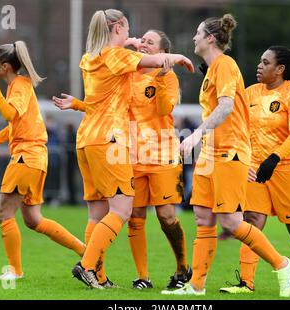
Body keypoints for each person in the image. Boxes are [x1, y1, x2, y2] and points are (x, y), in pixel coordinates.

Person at [52, 9, 194, 289]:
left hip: (100, 142)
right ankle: (90, 266)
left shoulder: (91, 57)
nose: (139, 39)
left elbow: (157, 106)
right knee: (123, 212)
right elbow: (140, 60)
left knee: (102, 213)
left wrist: (162, 72)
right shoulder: (125, 62)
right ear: (118, 28)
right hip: (115, 145)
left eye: (149, 40)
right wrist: (175, 57)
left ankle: (100, 277)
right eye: (131, 31)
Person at [162, 14, 290, 297]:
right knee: (202, 218)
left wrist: (197, 133)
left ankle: (283, 264)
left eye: (199, 33)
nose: (195, 37)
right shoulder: (211, 69)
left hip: (229, 151)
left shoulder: (225, 65)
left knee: (232, 222)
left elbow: (225, 107)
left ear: (211, 38)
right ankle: (196, 286)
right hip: (211, 153)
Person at [0, 41, 86, 280]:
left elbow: (8, 114)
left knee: (4, 214)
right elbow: (17, 125)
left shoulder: (18, 86)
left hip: (26, 158)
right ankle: (86, 253)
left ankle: (15, 272)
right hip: (36, 157)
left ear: (5, 67)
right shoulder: (20, 85)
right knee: (34, 220)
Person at [220, 46, 290, 295]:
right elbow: (229, 114)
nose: (259, 66)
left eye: (265, 62)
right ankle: (246, 283)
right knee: (252, 221)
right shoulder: (250, 93)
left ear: (280, 69)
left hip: (289, 168)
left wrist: (274, 158)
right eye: (260, 61)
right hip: (256, 167)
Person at [126, 29, 191, 290]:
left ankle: (182, 268)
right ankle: (143, 277)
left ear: (164, 53)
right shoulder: (129, 73)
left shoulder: (170, 78)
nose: (143, 44)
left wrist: (162, 78)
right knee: (135, 215)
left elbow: (165, 109)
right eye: (141, 40)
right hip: (132, 157)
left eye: (149, 42)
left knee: (166, 217)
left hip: (163, 157)